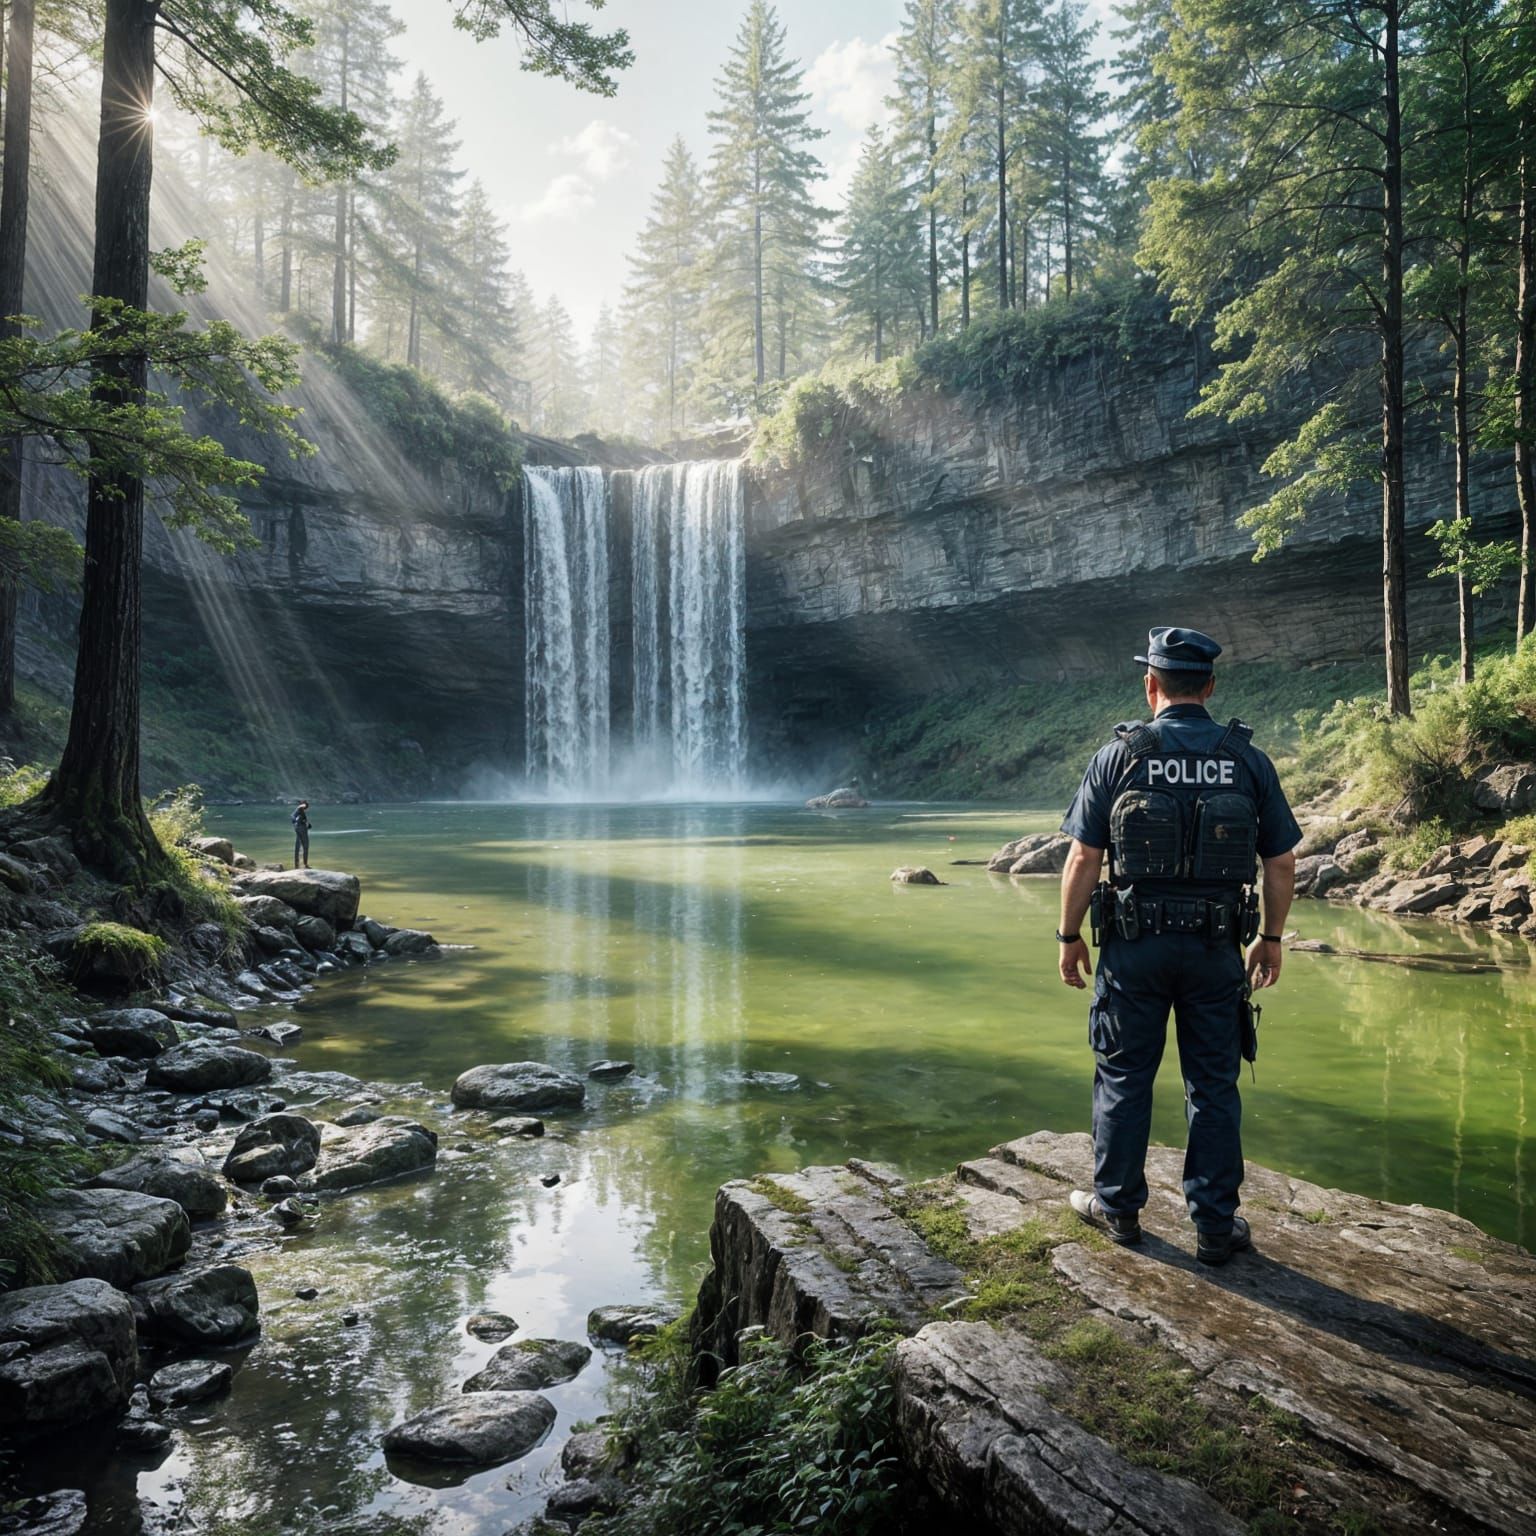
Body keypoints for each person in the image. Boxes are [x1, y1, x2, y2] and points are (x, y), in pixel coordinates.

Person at [1055, 627, 1299, 1266]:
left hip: (1133, 950)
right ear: (1210, 686)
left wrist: (1068, 936)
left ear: (1150, 684)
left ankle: (1117, 1208)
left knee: (1124, 1074)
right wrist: (1271, 939)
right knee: (1214, 1085)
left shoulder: (1120, 756)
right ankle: (1216, 1226)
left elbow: (1083, 856)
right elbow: (1280, 863)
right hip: (1217, 950)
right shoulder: (1246, 759)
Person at [292, 801, 312, 869]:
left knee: (298, 846)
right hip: (302, 830)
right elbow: (294, 816)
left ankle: (297, 865)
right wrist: (302, 805)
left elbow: (296, 819)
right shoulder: (300, 810)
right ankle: (305, 864)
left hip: (299, 829)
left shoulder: (300, 813)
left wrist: (308, 825)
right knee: (305, 846)